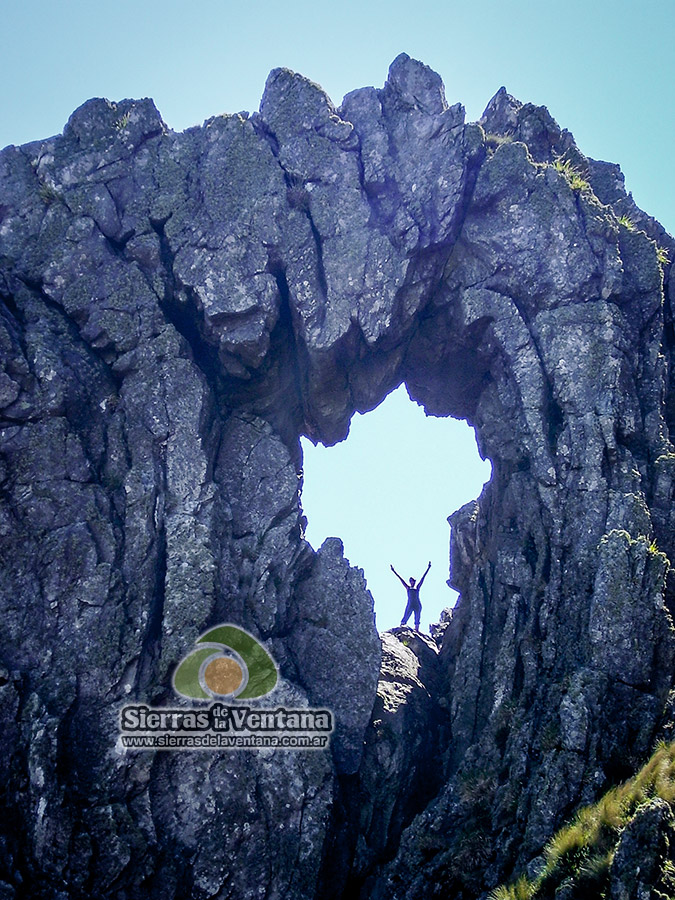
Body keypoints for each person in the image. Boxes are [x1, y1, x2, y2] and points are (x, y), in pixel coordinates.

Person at [390, 561, 431, 632]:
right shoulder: (408, 588)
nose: (412, 582)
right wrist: (394, 571)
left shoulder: (417, 588)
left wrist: (428, 568)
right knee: (406, 615)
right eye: (411, 581)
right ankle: (402, 627)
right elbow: (401, 579)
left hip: (417, 604)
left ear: (414, 582)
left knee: (417, 617)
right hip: (410, 604)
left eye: (413, 581)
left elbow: (423, 578)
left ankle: (417, 630)